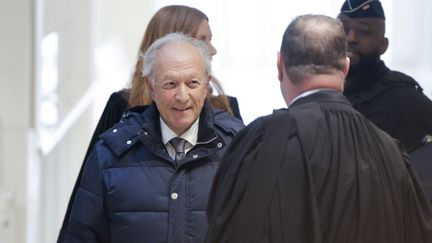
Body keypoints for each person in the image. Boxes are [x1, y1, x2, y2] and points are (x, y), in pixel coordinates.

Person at [205, 14, 432, 243]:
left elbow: (228, 230)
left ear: (280, 65)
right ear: (345, 66)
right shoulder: (390, 151)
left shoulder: (261, 142)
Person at [58, 5, 242, 240]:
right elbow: (84, 225)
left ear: (205, 84)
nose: (182, 96)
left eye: (193, 83)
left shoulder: (236, 140)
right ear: (151, 86)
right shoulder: (113, 146)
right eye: (170, 84)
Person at [337, 0, 432, 153]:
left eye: (364, 32)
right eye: (343, 30)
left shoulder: (407, 102)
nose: (350, 38)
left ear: (383, 45)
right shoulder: (324, 92)